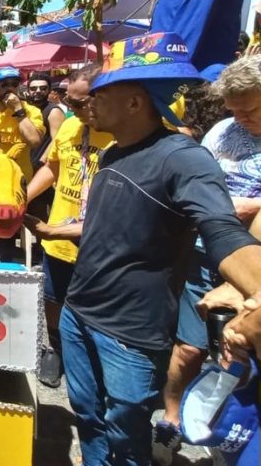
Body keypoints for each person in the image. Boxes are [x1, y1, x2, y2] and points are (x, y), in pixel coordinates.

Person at [60, 32, 261, 466]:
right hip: (78, 313)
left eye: (100, 93)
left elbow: (222, 230)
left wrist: (258, 287)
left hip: (130, 333)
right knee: (89, 417)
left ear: (135, 102)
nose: (89, 102)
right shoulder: (111, 155)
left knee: (125, 432)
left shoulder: (182, 158)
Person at [152, 55, 261, 464]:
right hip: (202, 256)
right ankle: (173, 419)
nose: (242, 118)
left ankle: (232, 435)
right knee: (189, 350)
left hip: (253, 268)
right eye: (234, 110)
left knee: (241, 357)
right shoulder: (222, 131)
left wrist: (250, 207)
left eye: (250, 109)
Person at [23, 67, 113, 389]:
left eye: (79, 103)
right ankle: (56, 350)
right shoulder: (71, 127)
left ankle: (95, 361)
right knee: (52, 298)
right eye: (68, 102)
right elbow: (52, 168)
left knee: (98, 306)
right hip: (59, 236)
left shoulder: (121, 133)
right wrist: (22, 199)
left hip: (101, 241)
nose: (71, 110)